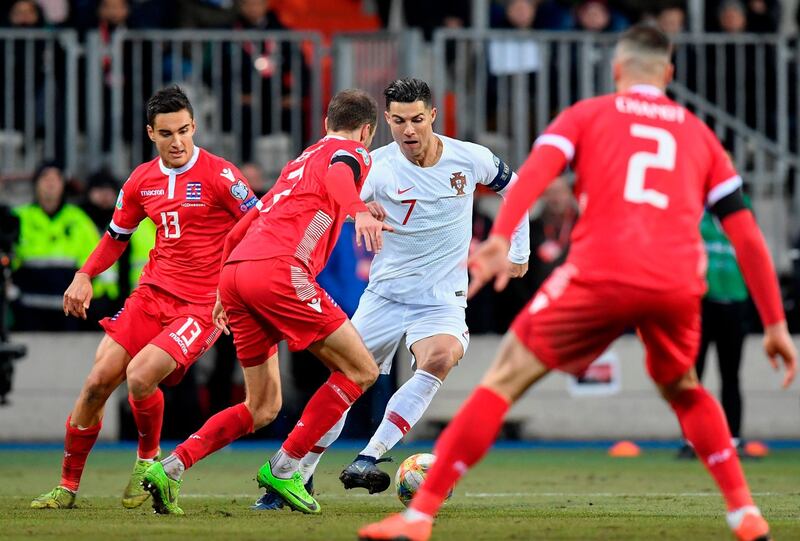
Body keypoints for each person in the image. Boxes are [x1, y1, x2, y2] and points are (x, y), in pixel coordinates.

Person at [358, 24, 796, 541]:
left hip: (600, 271)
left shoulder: (588, 114)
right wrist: (774, 324)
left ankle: (417, 518)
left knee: (502, 381)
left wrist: (500, 239)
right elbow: (746, 236)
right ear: (670, 74)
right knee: (686, 388)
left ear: (616, 70)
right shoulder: (700, 135)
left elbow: (533, 177)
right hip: (675, 281)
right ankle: (744, 512)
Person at [255, 78, 530, 510]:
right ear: (385, 121)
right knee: (345, 383)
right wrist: (359, 213)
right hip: (384, 296)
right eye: (399, 121)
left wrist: (520, 251)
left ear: (432, 116)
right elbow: (333, 205)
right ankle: (294, 474)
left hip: (441, 298)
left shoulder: (469, 157)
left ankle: (370, 456)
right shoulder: (375, 165)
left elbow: (517, 187)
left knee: (439, 357)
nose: (409, 130)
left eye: (417, 119)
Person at [140, 88, 389, 516]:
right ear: (366, 131)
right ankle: (287, 466)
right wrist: (359, 209)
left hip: (238, 273)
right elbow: (340, 177)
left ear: (325, 122)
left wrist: (222, 288)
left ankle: (173, 466)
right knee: (361, 369)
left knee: (263, 406)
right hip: (281, 270)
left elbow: (240, 229)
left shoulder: (299, 163)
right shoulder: (352, 153)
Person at [30, 85, 259, 510]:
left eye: (185, 131)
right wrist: (84, 274)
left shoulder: (220, 175)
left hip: (200, 306)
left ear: (195, 126)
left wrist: (235, 288)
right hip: (151, 295)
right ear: (151, 133)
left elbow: (259, 228)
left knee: (139, 376)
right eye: (167, 133)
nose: (178, 142)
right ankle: (66, 487)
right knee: (98, 382)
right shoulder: (141, 180)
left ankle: (147, 460)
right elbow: (117, 237)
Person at [678, 204, 753, 459]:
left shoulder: (741, 209)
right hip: (701, 302)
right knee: (693, 375)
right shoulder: (693, 207)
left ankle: (733, 441)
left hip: (734, 301)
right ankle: (691, 442)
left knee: (730, 376)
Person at [12, 162, 99, 331]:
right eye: (45, 178)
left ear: (63, 185)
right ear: (36, 184)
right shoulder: (19, 218)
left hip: (68, 313)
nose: (50, 183)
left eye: (56, 178)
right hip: (27, 312)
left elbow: (96, 261)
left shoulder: (79, 220)